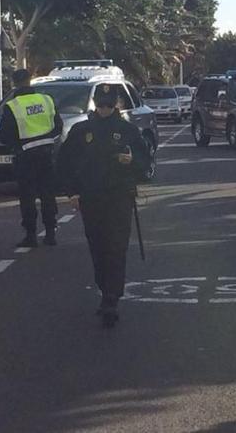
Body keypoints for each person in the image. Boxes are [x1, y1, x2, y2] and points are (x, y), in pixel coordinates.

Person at [57, 83, 150, 328]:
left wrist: (132, 161)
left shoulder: (128, 130)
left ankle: (111, 298)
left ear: (116, 104)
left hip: (119, 197)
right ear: (94, 104)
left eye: (109, 105)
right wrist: (72, 192)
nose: (105, 109)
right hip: (90, 197)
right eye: (101, 104)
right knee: (98, 247)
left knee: (116, 247)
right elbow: (65, 163)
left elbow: (145, 163)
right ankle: (103, 287)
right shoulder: (81, 130)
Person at [0, 69, 65, 248]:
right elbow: (58, 125)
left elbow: (5, 135)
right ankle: (51, 233)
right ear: (30, 81)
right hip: (46, 153)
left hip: (25, 156)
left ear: (14, 83)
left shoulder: (13, 106)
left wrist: (17, 146)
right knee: (47, 193)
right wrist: (47, 140)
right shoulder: (45, 100)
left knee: (27, 196)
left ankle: (31, 235)